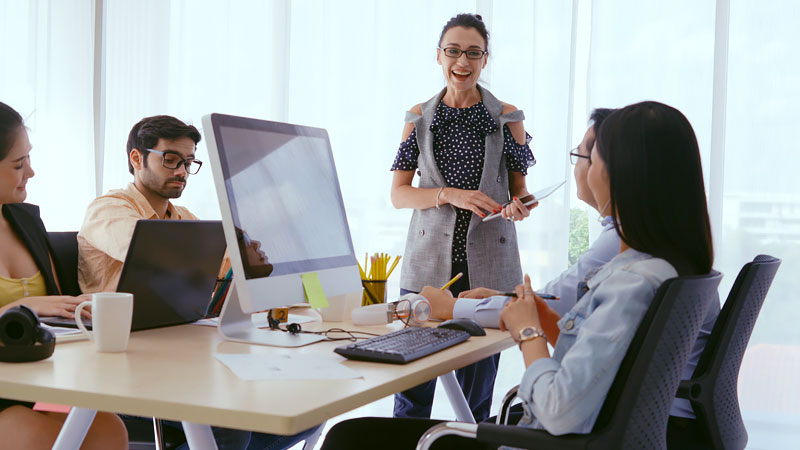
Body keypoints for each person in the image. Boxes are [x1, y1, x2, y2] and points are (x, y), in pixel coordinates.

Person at [319, 100, 715, 449]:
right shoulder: (664, 266)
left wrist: (528, 332)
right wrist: (532, 313)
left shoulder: (634, 281)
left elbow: (561, 411)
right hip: (585, 430)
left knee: (350, 437)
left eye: (590, 158)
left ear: (623, 174)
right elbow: (605, 352)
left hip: (557, 435)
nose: (582, 165)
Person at [77, 115, 318, 450]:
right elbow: (151, 250)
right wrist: (232, 255)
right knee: (230, 425)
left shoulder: (184, 218)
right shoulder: (108, 209)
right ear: (137, 158)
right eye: (171, 160)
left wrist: (255, 261)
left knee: (302, 409)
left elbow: (226, 264)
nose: (182, 172)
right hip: (123, 367)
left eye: (189, 162)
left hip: (182, 353)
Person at [389, 12, 536, 422]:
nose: (462, 61)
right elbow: (399, 195)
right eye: (453, 51)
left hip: (489, 269)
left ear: (485, 60)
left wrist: (519, 205)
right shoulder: (418, 117)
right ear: (439, 56)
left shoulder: (507, 116)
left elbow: (519, 190)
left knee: (475, 401)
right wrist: (449, 194)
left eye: (474, 53)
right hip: (427, 269)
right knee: (411, 394)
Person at [0, 101, 128, 449]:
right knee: (27, 433)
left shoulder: (25, 221)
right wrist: (22, 306)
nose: (31, 172)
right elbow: (31, 306)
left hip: (31, 381)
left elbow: (52, 305)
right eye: (18, 163)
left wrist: (77, 307)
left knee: (109, 430)